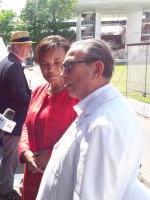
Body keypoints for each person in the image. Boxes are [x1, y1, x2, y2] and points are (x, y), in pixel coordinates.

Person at [36, 38, 144, 200]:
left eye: (68, 65)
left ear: (97, 69)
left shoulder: (103, 125)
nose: (62, 73)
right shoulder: (103, 112)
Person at [18, 35, 78, 200]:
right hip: (32, 175)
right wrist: (25, 152)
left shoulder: (77, 96)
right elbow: (26, 126)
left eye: (58, 62)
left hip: (60, 177)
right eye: (44, 63)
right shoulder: (38, 91)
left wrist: (52, 155)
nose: (51, 68)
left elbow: (84, 138)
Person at [0, 31, 33, 199]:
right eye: (27, 46)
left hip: (6, 118)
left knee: (8, 155)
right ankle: (5, 191)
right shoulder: (13, 65)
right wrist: (34, 96)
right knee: (12, 158)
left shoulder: (5, 62)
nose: (30, 49)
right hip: (13, 120)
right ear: (16, 46)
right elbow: (20, 98)